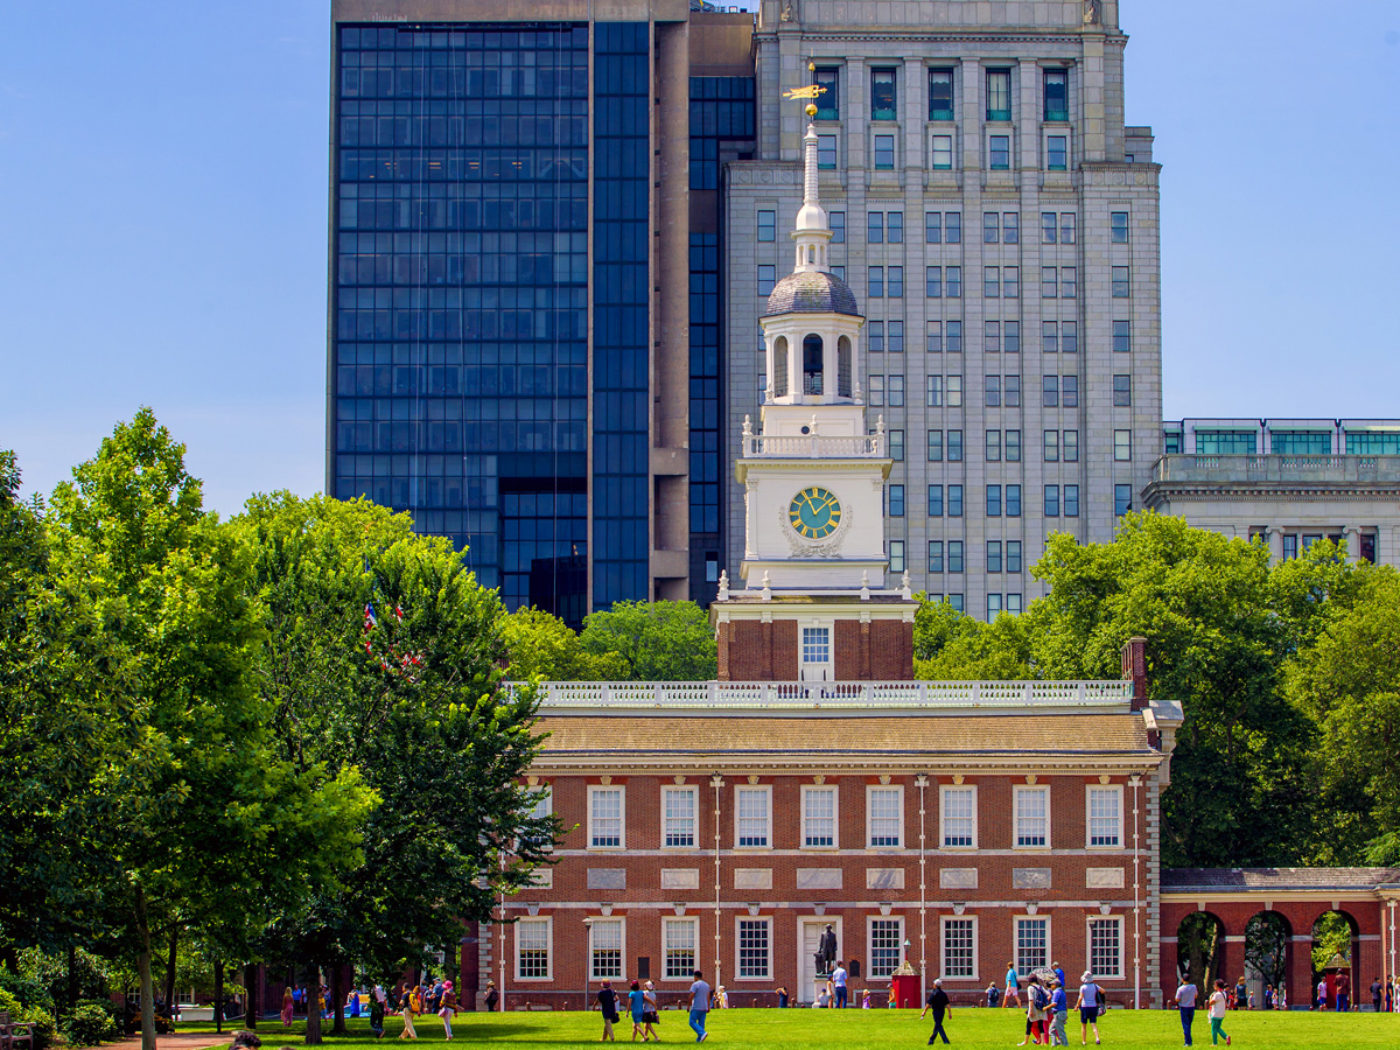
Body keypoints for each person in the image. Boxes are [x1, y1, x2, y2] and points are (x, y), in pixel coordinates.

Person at [919, 978, 951, 1045]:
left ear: (935, 985)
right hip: (942, 1012)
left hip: (936, 1012)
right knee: (937, 1025)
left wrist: (924, 1011)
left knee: (938, 1025)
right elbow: (947, 1004)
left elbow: (928, 1003)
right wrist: (949, 1013)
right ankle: (931, 1040)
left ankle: (945, 1040)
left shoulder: (934, 994)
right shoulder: (943, 994)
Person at [1076, 971, 1102, 1046]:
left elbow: (1080, 997)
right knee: (1093, 1023)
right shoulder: (1095, 986)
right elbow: (1103, 991)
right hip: (1094, 1006)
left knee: (1084, 1025)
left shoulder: (1083, 987)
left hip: (1085, 1007)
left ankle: (1084, 1041)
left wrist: (1077, 1006)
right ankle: (1097, 1038)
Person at [1174, 976, 1199, 1047]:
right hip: (1191, 1007)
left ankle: (1188, 1042)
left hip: (1184, 1007)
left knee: (1185, 1025)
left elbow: (1177, 999)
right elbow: (1196, 996)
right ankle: (1188, 1040)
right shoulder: (1194, 987)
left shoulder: (1180, 989)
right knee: (1189, 1024)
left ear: (1182, 979)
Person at [688, 970, 711, 1042]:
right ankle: (699, 1039)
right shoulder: (706, 985)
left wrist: (689, 1005)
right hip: (704, 1007)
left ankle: (702, 1033)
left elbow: (691, 995)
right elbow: (708, 996)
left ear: (695, 977)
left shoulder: (695, 984)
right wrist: (708, 1006)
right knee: (701, 1023)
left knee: (692, 1022)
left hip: (697, 1006)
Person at [1207, 979, 1230, 1046]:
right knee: (1218, 1028)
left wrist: (1211, 997)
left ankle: (1214, 1043)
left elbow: (1211, 1003)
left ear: (1217, 986)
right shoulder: (1224, 994)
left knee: (1214, 1029)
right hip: (1221, 1014)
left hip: (1215, 1014)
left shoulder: (1217, 994)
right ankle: (1226, 1037)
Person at [1048, 979, 1069, 1047]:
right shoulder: (1062, 991)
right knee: (1051, 1030)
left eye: (1052, 984)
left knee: (1060, 1031)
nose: (1051, 986)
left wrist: (1045, 1008)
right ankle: (1054, 1044)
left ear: (1055, 985)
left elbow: (1054, 1003)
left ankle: (1065, 1045)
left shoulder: (1056, 992)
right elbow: (1066, 1004)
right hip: (1062, 1013)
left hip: (1058, 1013)